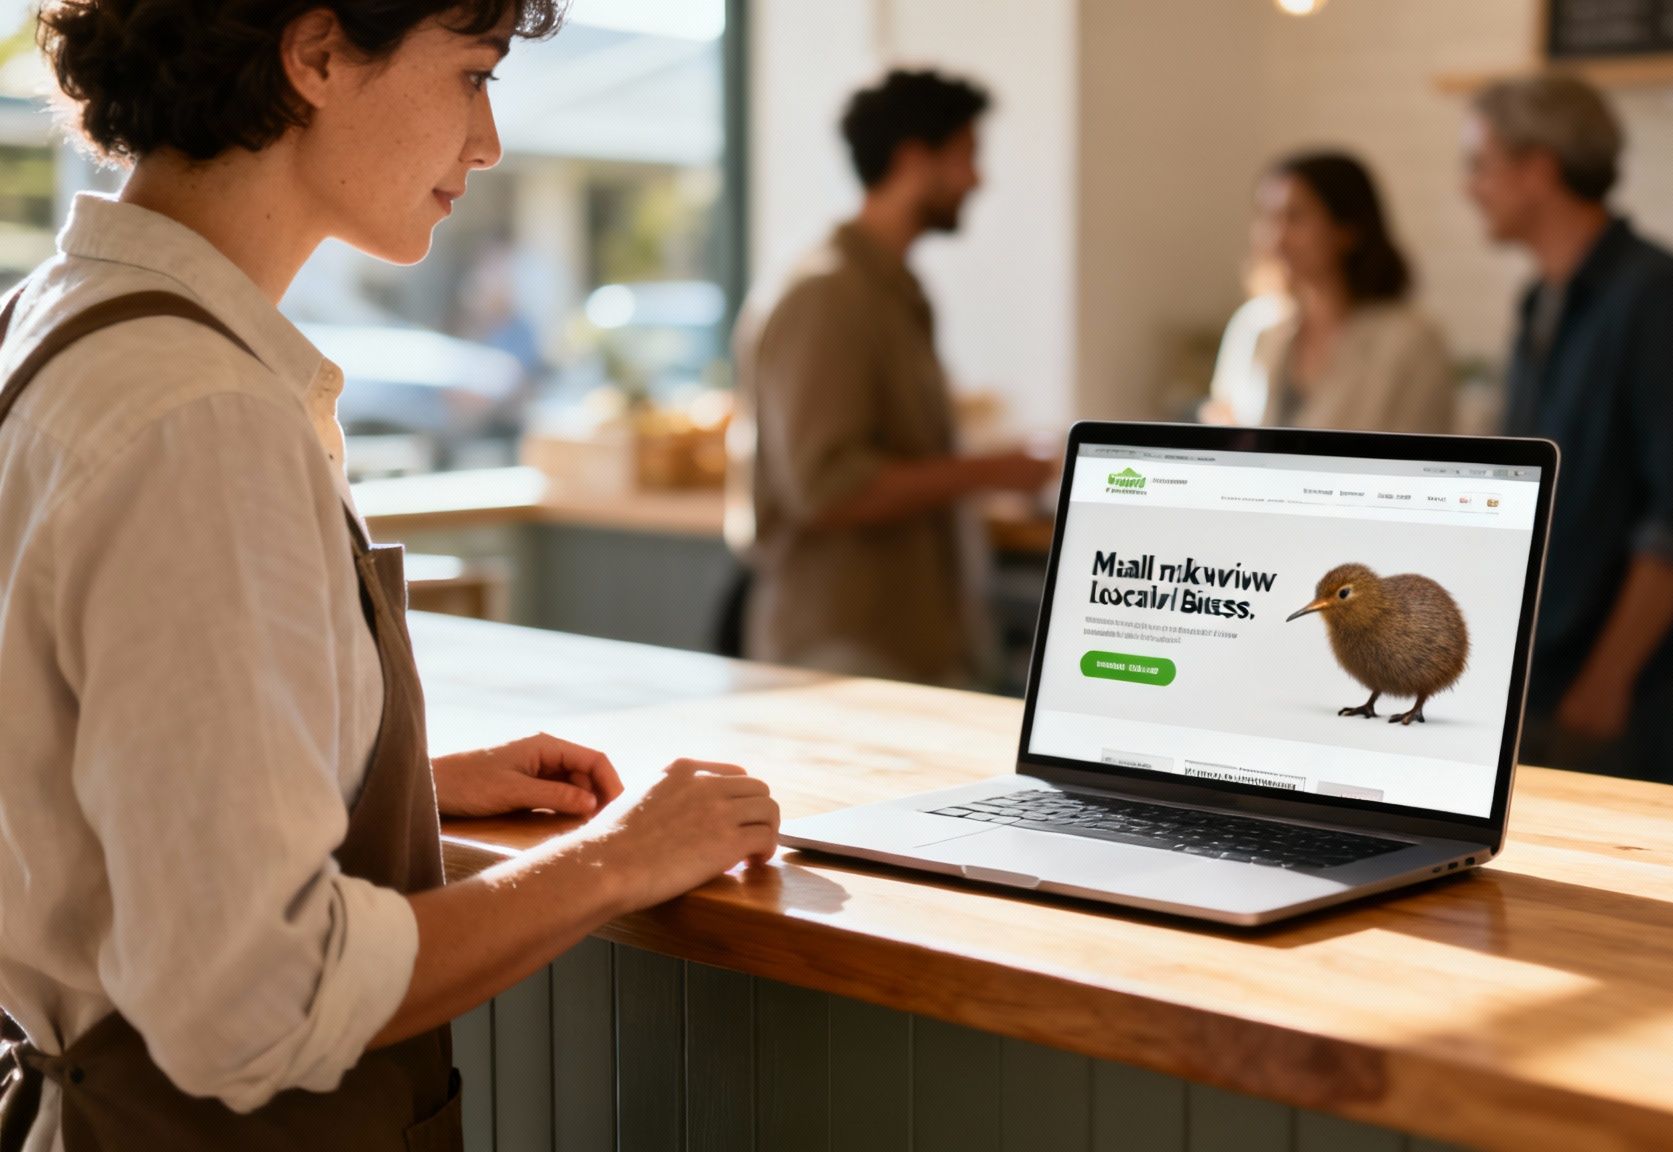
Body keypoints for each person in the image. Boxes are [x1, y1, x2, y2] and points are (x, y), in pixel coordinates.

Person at [0, 4, 779, 1149]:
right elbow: (256, 1000)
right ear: (315, 54)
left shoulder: (54, 325)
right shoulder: (200, 413)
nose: (489, 139)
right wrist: (616, 859)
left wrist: (373, 768)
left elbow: (80, 763)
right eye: (472, 74)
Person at [728, 69, 1053, 687]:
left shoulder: (893, 292)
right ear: (913, 159)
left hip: (908, 645)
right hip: (844, 653)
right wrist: (993, 471)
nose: (978, 179)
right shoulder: (827, 295)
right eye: (965, 156)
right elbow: (827, 488)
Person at [1462, 76, 1673, 785]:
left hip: (1623, 692)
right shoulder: (1539, 302)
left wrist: (1607, 678)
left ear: (1538, 170)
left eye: (1481, 165)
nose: (1470, 187)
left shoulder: (1661, 299)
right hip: (1542, 674)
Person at [1206, 151, 1454, 433]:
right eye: (1268, 218)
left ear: (1348, 230)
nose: (1275, 238)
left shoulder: (1410, 344)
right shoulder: (1254, 327)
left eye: (1295, 218)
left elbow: (1421, 462)